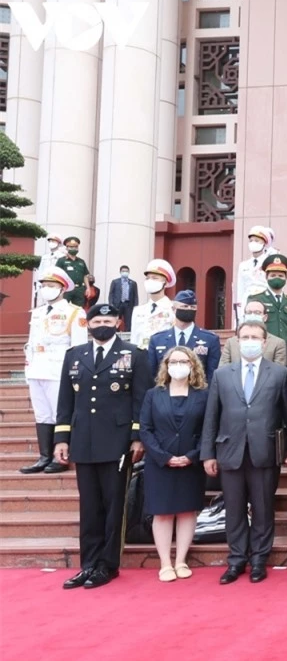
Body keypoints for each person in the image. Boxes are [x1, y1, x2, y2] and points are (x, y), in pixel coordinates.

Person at [55, 303, 153, 589]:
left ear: (118, 323)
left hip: (118, 442)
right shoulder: (74, 356)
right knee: (89, 506)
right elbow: (65, 401)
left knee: (114, 506)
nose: (102, 324)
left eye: (108, 320)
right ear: (87, 323)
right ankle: (89, 564)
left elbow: (141, 400)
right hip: (83, 441)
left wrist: (137, 437)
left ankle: (108, 565)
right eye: (97, 319)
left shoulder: (134, 355)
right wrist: (62, 438)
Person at [201, 320, 287, 585]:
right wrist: (208, 454)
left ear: (265, 342)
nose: (250, 341)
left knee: (263, 509)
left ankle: (259, 560)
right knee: (234, 509)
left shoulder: (279, 373)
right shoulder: (222, 374)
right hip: (230, 450)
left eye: (255, 337)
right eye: (245, 337)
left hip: (264, 451)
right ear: (237, 341)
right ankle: (237, 559)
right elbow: (211, 417)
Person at [139, 346, 209, 582]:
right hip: (160, 463)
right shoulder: (153, 394)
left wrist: (192, 456)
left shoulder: (203, 395)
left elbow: (207, 430)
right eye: (174, 361)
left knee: (187, 511)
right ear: (166, 365)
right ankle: (165, 563)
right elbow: (146, 429)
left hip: (191, 462)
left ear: (192, 365)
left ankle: (181, 560)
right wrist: (163, 456)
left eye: (184, 361)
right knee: (163, 513)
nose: (178, 365)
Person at [21, 267, 88, 474]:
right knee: (42, 414)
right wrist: (28, 367)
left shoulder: (74, 312)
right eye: (43, 285)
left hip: (59, 369)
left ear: (62, 288)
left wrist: (75, 374)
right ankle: (44, 456)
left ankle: (61, 457)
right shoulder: (38, 313)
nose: (46, 289)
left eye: (51, 285)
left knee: (60, 413)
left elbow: (78, 347)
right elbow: (32, 343)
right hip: (37, 368)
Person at [148, 290, 220, 383]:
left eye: (193, 307)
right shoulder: (157, 340)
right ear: (174, 309)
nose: (189, 309)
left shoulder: (210, 339)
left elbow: (211, 375)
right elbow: (152, 374)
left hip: (198, 392)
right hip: (165, 392)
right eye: (185, 306)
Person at [219, 299, 287, 366]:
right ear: (244, 316)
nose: (252, 315)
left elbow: (279, 372)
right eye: (249, 312)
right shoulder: (231, 342)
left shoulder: (278, 343)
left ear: (265, 317)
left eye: (257, 312)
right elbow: (222, 371)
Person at [248, 254, 287, 342]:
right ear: (266, 277)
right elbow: (249, 326)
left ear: (286, 278)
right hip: (264, 347)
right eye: (273, 275)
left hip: (285, 349)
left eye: (280, 276)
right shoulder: (256, 299)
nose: (277, 278)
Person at [130, 259, 177, 350]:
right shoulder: (138, 310)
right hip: (141, 358)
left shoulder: (173, 309)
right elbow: (134, 339)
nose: (150, 281)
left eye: (155, 278)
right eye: (147, 278)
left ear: (166, 283)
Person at [235, 225, 275, 324]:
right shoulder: (243, 265)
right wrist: (239, 308)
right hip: (247, 300)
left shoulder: (270, 262)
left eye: (257, 241)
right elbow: (241, 287)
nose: (253, 243)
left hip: (265, 299)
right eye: (251, 240)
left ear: (264, 243)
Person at [55, 236, 90, 307]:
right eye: (71, 247)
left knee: (79, 309)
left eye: (75, 247)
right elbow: (57, 275)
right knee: (63, 308)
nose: (73, 249)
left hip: (79, 289)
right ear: (67, 248)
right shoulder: (61, 260)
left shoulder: (81, 261)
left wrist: (88, 288)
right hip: (66, 289)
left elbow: (85, 275)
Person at [32, 233, 64, 307]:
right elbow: (40, 270)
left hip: (56, 283)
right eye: (50, 241)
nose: (51, 243)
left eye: (54, 241)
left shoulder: (62, 257)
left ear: (59, 243)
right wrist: (38, 284)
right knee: (43, 304)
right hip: (44, 282)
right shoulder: (45, 257)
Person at [107, 265, 138, 329]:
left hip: (128, 304)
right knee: (116, 320)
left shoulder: (133, 283)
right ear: (120, 272)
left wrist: (136, 305)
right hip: (117, 304)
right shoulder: (115, 282)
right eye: (123, 271)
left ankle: (128, 335)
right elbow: (111, 293)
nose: (125, 272)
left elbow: (135, 295)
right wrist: (111, 303)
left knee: (128, 321)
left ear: (129, 272)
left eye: (126, 271)